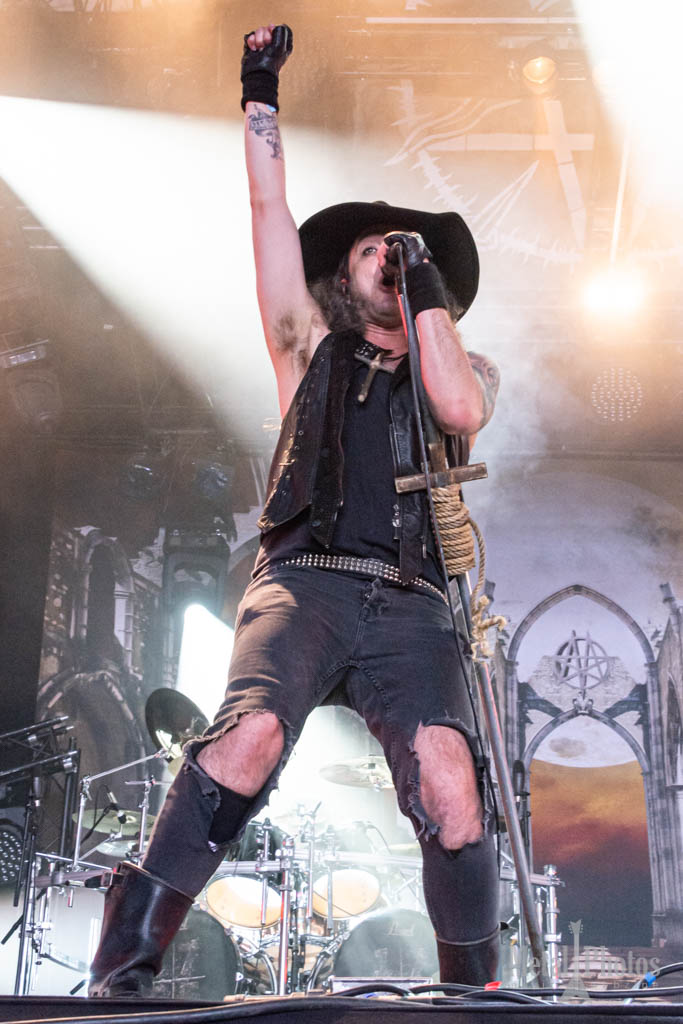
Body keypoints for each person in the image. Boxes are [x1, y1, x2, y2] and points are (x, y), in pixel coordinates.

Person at [89, 23, 501, 997]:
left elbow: (457, 409)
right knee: (249, 738)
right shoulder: (304, 348)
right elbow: (268, 210)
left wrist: (424, 284)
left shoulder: (460, 362)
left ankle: (473, 997)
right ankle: (123, 967)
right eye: (371, 250)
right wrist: (259, 93)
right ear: (342, 277)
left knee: (449, 780)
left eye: (399, 253)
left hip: (411, 596)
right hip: (304, 579)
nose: (386, 257)